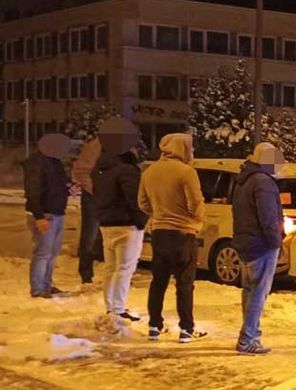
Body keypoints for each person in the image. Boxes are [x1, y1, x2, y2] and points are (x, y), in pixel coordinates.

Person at [138, 133, 207, 342]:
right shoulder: (186, 172)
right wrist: (196, 218)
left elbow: (142, 203)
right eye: (190, 147)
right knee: (185, 283)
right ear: (182, 148)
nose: (192, 151)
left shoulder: (149, 172)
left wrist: (159, 213)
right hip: (183, 233)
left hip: (159, 232)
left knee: (158, 281)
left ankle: (154, 325)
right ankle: (186, 328)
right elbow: (196, 202)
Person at [232, 142, 285, 354]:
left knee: (249, 290)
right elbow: (268, 218)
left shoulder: (243, 180)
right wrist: (276, 242)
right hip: (261, 244)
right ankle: (248, 338)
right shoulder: (264, 183)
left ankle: (250, 333)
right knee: (258, 293)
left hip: (245, 242)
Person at [95, 146, 147, 321]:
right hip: (127, 225)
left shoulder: (103, 171)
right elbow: (135, 198)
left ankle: (111, 307)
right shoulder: (127, 170)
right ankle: (119, 308)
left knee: (110, 268)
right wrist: (141, 220)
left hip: (106, 224)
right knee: (125, 268)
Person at [24, 134, 71, 298]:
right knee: (43, 252)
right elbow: (33, 190)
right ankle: (38, 289)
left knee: (51, 252)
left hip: (56, 212)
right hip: (45, 213)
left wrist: (68, 190)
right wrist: (39, 216)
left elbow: (55, 186)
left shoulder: (53, 161)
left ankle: (46, 285)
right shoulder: (37, 162)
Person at [71, 136, 104, 284]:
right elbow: (80, 171)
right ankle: (86, 274)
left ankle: (117, 276)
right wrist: (95, 190)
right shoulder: (94, 147)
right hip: (94, 198)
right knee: (89, 236)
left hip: (115, 199)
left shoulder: (123, 147)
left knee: (115, 237)